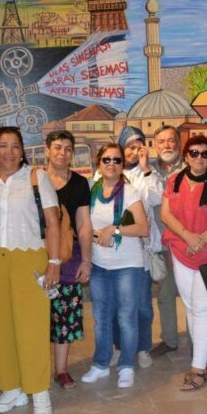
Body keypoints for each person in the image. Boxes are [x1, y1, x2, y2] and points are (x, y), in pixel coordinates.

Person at [0, 127, 63, 414]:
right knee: (0, 327)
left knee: (32, 327)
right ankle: (11, 388)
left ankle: (39, 390)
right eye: (3, 145)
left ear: (22, 151)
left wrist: (54, 262)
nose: (9, 152)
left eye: (15, 146)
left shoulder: (36, 177)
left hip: (30, 260)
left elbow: (53, 223)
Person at [161, 135, 207, 390]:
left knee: (203, 309)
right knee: (192, 307)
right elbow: (165, 213)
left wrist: (201, 238)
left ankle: (198, 369)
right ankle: (204, 357)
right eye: (194, 153)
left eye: (205, 154)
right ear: (186, 155)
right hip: (182, 250)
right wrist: (187, 236)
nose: (199, 158)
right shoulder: (175, 180)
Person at [81, 144, 149, 389]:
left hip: (127, 265)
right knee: (101, 318)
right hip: (99, 265)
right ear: (99, 163)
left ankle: (126, 366)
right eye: (106, 159)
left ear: (122, 165)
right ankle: (100, 364)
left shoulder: (130, 192)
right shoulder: (91, 190)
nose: (111, 164)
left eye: (117, 160)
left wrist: (115, 229)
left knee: (126, 318)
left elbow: (143, 228)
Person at [43, 130, 92, 390]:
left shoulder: (79, 184)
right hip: (36, 257)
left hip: (68, 258)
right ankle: (36, 369)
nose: (63, 153)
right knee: (36, 315)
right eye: (58, 147)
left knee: (66, 315)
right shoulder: (34, 181)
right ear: (47, 151)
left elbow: (84, 224)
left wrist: (86, 259)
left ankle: (61, 370)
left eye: (68, 149)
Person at [113, 126, 158, 369]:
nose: (133, 151)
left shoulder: (147, 174)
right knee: (116, 305)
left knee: (142, 304)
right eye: (129, 146)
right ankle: (118, 347)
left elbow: (157, 199)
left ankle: (143, 347)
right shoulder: (107, 172)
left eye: (138, 146)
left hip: (141, 249)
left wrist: (146, 168)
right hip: (113, 250)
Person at [147, 125, 184, 357]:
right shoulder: (147, 170)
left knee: (194, 296)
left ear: (178, 143)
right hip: (161, 244)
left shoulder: (191, 167)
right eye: (161, 142)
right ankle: (170, 340)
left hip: (189, 243)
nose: (167, 146)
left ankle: (198, 339)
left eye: (171, 141)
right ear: (155, 145)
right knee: (165, 295)